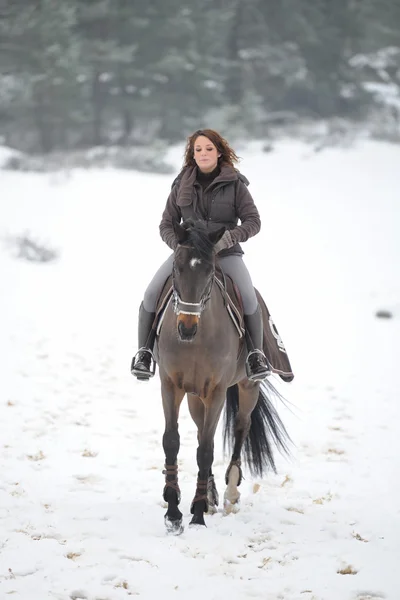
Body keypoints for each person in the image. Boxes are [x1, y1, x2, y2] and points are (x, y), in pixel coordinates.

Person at [131, 128, 270, 381]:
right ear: (192, 154)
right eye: (198, 150)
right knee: (151, 293)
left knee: (249, 298)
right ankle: (144, 354)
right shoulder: (180, 184)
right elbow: (166, 223)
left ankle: (256, 356)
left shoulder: (236, 184)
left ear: (219, 152)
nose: (203, 153)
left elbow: (253, 221)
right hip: (188, 255)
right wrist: (179, 245)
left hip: (225, 253)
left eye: (208, 149)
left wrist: (229, 238)